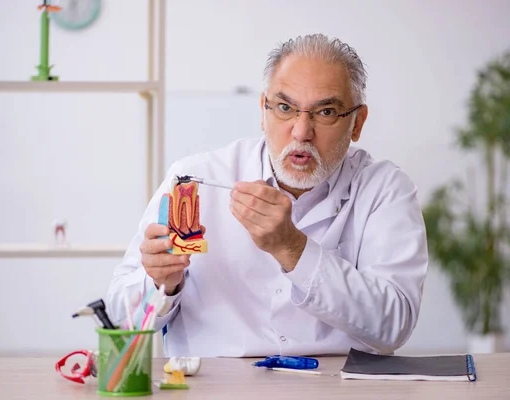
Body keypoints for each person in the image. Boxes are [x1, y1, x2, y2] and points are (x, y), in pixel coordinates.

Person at [106, 33, 428, 357]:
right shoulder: (195, 178)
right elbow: (122, 318)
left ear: (357, 122)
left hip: (338, 387)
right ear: (263, 110)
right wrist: (164, 283)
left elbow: (393, 327)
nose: (302, 132)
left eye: (326, 112)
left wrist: (293, 248)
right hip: (215, 387)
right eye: (285, 108)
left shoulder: (385, 189)